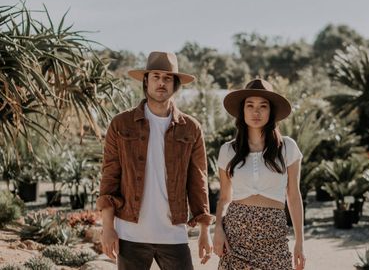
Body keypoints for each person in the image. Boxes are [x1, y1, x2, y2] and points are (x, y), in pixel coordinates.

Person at [97, 51, 214, 270]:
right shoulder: (121, 124)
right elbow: (110, 176)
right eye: (156, 77)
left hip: (174, 234)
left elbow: (198, 180)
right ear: (146, 81)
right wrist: (107, 226)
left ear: (175, 84)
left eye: (167, 78)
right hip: (130, 232)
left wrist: (204, 230)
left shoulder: (191, 128)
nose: (161, 83)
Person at [213, 78, 306, 270]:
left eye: (263, 106)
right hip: (236, 239)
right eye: (250, 105)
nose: (256, 112)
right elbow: (224, 198)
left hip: (274, 240)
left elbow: (294, 196)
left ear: (271, 111)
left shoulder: (288, 147)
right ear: (242, 110)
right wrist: (218, 229)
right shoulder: (227, 150)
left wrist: (299, 242)